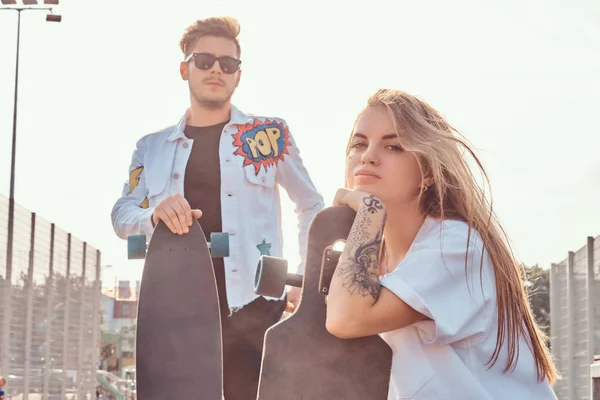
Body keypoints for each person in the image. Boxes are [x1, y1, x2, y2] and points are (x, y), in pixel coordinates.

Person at [111, 16, 324, 399]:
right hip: (178, 313)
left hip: (258, 308)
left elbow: (310, 204)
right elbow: (122, 214)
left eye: (228, 64)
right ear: (184, 68)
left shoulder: (269, 135)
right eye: (204, 59)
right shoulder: (151, 148)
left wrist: (303, 279)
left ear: (238, 76)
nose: (216, 70)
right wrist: (152, 216)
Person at [325, 89, 559, 399]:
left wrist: (368, 213)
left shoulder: (455, 246)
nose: (367, 155)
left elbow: (346, 319)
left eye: (393, 146)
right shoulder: (378, 261)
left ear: (428, 174)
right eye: (359, 143)